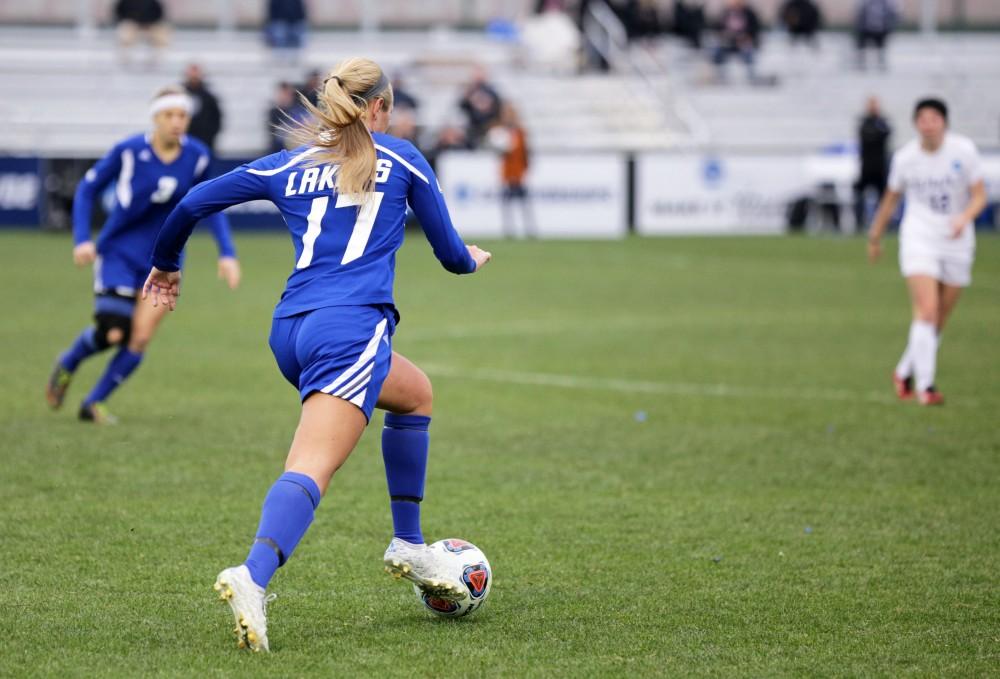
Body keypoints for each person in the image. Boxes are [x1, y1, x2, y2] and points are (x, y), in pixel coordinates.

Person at [142, 57, 492, 652]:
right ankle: (252, 575)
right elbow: (451, 256)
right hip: (349, 331)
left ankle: (408, 543)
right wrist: (474, 258)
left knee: (414, 394)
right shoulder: (403, 156)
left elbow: (193, 201)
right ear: (380, 107)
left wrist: (167, 265)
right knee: (311, 466)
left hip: (291, 330)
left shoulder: (290, 163)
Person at [46, 86, 240, 424]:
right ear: (156, 118)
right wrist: (82, 239)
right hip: (119, 252)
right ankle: (68, 363)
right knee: (114, 333)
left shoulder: (198, 155)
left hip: (165, 260)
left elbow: (212, 203)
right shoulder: (129, 151)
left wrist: (227, 252)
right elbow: (87, 188)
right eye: (170, 115)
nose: (177, 122)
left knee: (140, 337)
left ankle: (93, 404)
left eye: (183, 116)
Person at [867, 98, 987, 405]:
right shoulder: (906, 158)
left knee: (939, 320)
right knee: (927, 310)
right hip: (919, 237)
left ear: (944, 122)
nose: (928, 123)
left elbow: (979, 196)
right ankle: (926, 386)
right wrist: (875, 235)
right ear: (915, 124)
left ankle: (904, 370)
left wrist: (964, 217)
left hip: (957, 240)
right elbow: (891, 198)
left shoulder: (964, 151)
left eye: (934, 118)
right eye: (922, 118)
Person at [488, 104, 535, 238]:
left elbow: (525, 153)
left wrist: (524, 170)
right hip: (507, 174)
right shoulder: (500, 132)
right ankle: (509, 230)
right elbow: (499, 152)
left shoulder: (520, 132)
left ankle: (528, 230)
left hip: (518, 174)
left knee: (523, 204)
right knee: (508, 204)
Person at [854, 96, 892, 230]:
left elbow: (886, 134)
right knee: (859, 196)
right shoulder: (864, 122)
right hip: (866, 167)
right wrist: (876, 134)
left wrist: (875, 134)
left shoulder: (882, 121)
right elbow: (866, 136)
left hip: (880, 167)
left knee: (884, 198)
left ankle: (883, 224)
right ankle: (859, 224)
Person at [711, 0, 762, 82]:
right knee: (717, 51)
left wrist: (747, 37)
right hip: (728, 43)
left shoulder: (750, 13)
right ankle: (720, 76)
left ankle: (751, 76)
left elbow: (755, 30)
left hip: (743, 43)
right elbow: (717, 29)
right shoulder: (725, 13)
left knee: (748, 52)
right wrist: (724, 35)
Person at [183, 64, 224, 155]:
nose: (194, 76)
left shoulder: (209, 96)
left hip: (204, 141)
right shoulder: (178, 95)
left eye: (196, 73)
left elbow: (217, 118)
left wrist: (210, 136)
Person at [114, 0, 170, 67]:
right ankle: (124, 57)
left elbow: (159, 14)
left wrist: (149, 23)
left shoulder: (153, 2)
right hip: (133, 25)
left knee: (161, 31)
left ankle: (159, 57)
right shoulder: (125, 2)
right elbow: (119, 14)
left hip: (150, 25)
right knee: (125, 29)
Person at [458, 66, 503, 146]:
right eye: (476, 74)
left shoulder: (491, 91)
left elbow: (498, 107)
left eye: (480, 74)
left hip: (489, 126)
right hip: (473, 127)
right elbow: (461, 107)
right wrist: (467, 98)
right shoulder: (469, 91)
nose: (478, 77)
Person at [855, 0, 898, 71]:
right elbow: (860, 15)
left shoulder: (886, 3)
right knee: (862, 45)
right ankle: (861, 62)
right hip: (866, 29)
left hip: (881, 29)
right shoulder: (865, 3)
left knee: (881, 47)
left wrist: (889, 26)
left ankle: (881, 63)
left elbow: (892, 15)